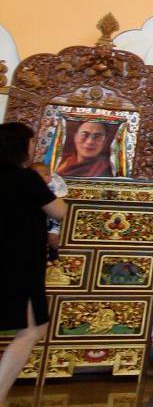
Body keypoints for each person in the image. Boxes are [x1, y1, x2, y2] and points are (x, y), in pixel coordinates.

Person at [0, 123, 69, 400]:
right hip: (18, 262)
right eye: (31, 143)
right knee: (33, 328)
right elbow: (59, 211)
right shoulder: (25, 179)